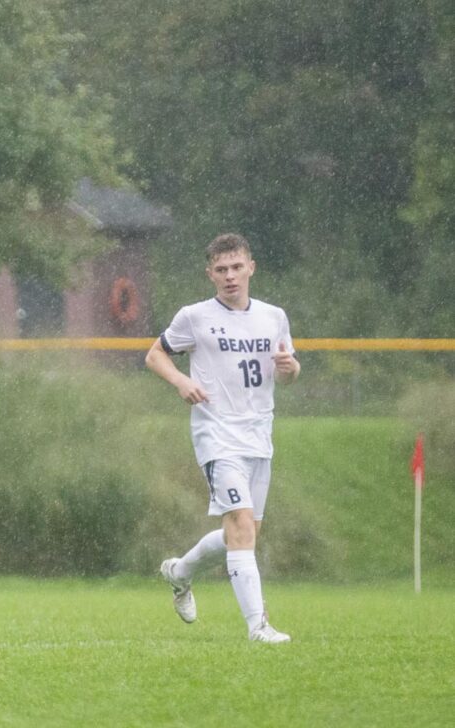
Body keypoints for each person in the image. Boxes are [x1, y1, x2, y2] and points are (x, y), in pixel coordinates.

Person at [145, 233, 300, 644]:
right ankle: (258, 626)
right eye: (221, 269)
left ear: (251, 267)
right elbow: (154, 354)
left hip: (259, 437)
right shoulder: (194, 317)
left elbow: (288, 371)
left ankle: (179, 573)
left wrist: (290, 367)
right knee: (241, 528)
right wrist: (180, 380)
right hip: (216, 436)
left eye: (236, 267)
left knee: (242, 533)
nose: (230, 276)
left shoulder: (273, 317)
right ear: (209, 273)